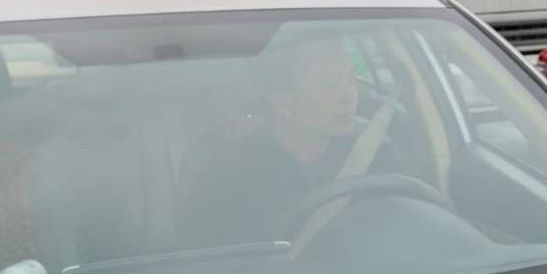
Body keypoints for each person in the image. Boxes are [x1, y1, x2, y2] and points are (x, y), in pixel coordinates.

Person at [182, 31, 438, 247]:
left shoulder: (376, 152)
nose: (349, 95)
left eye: (351, 79)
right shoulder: (229, 182)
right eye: (330, 86)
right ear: (284, 104)